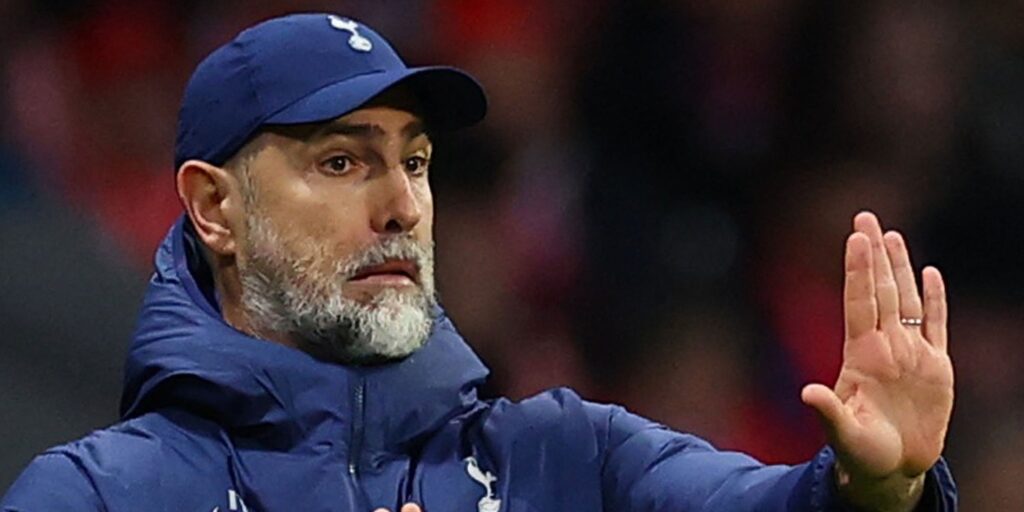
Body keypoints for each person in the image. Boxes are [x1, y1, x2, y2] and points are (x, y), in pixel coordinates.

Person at [1, 13, 957, 512]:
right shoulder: (99, 495)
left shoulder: (566, 460)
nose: (401, 205)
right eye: (341, 162)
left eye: (413, 163)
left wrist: (874, 491)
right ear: (216, 209)